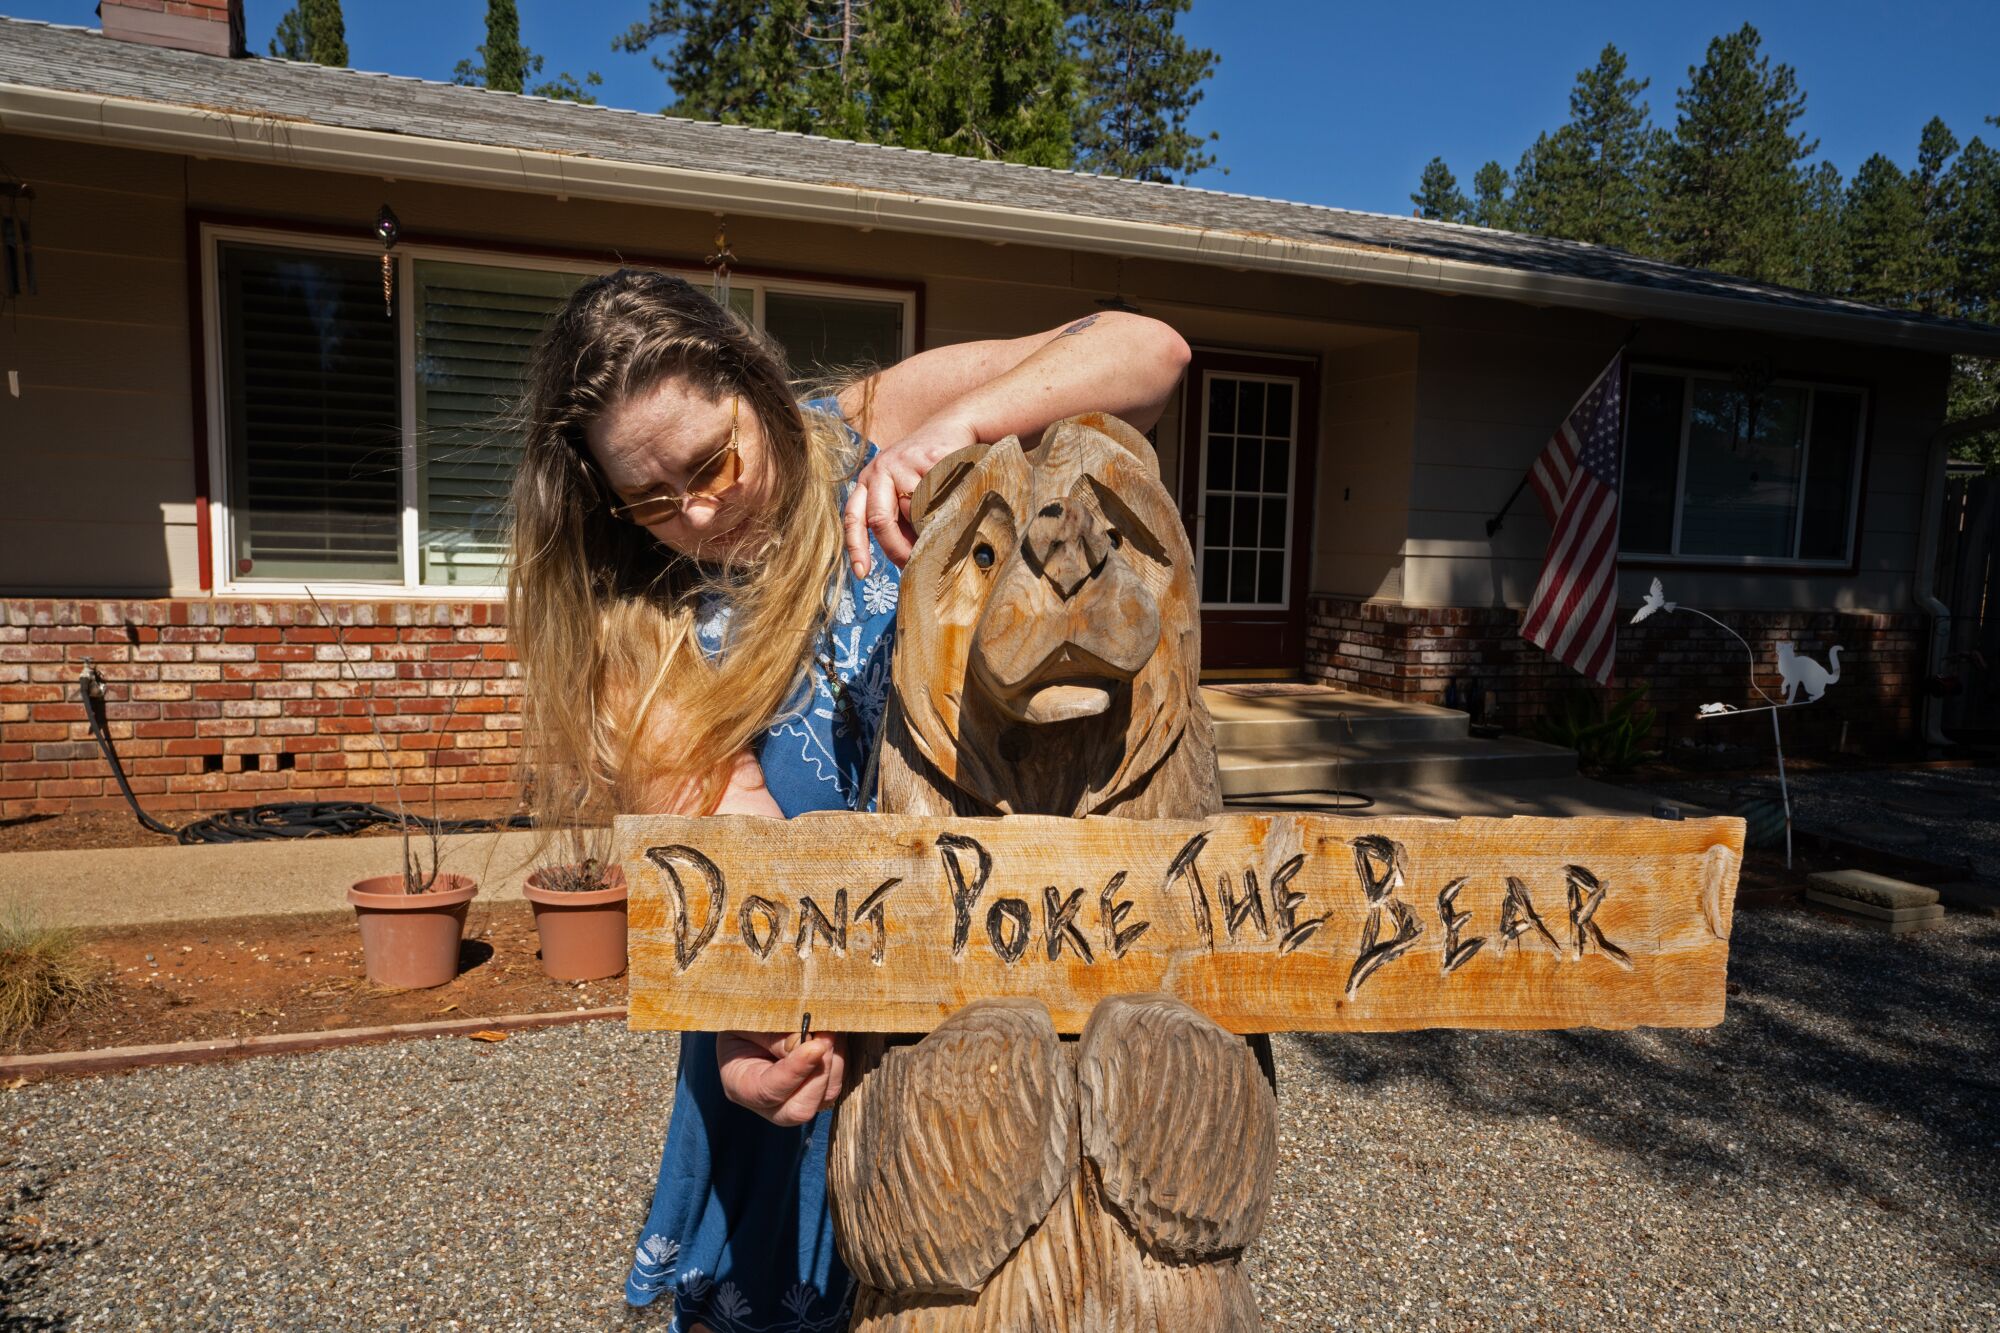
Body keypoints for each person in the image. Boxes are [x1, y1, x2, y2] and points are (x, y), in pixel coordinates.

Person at [506, 268, 1189, 1331]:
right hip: (824, 1029)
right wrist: (744, 1026)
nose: (694, 511)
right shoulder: (642, 614)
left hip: (1002, 993)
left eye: (711, 461)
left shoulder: (865, 425)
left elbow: (1147, 353)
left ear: (754, 379)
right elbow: (734, 835)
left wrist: (949, 433)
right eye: (648, 498)